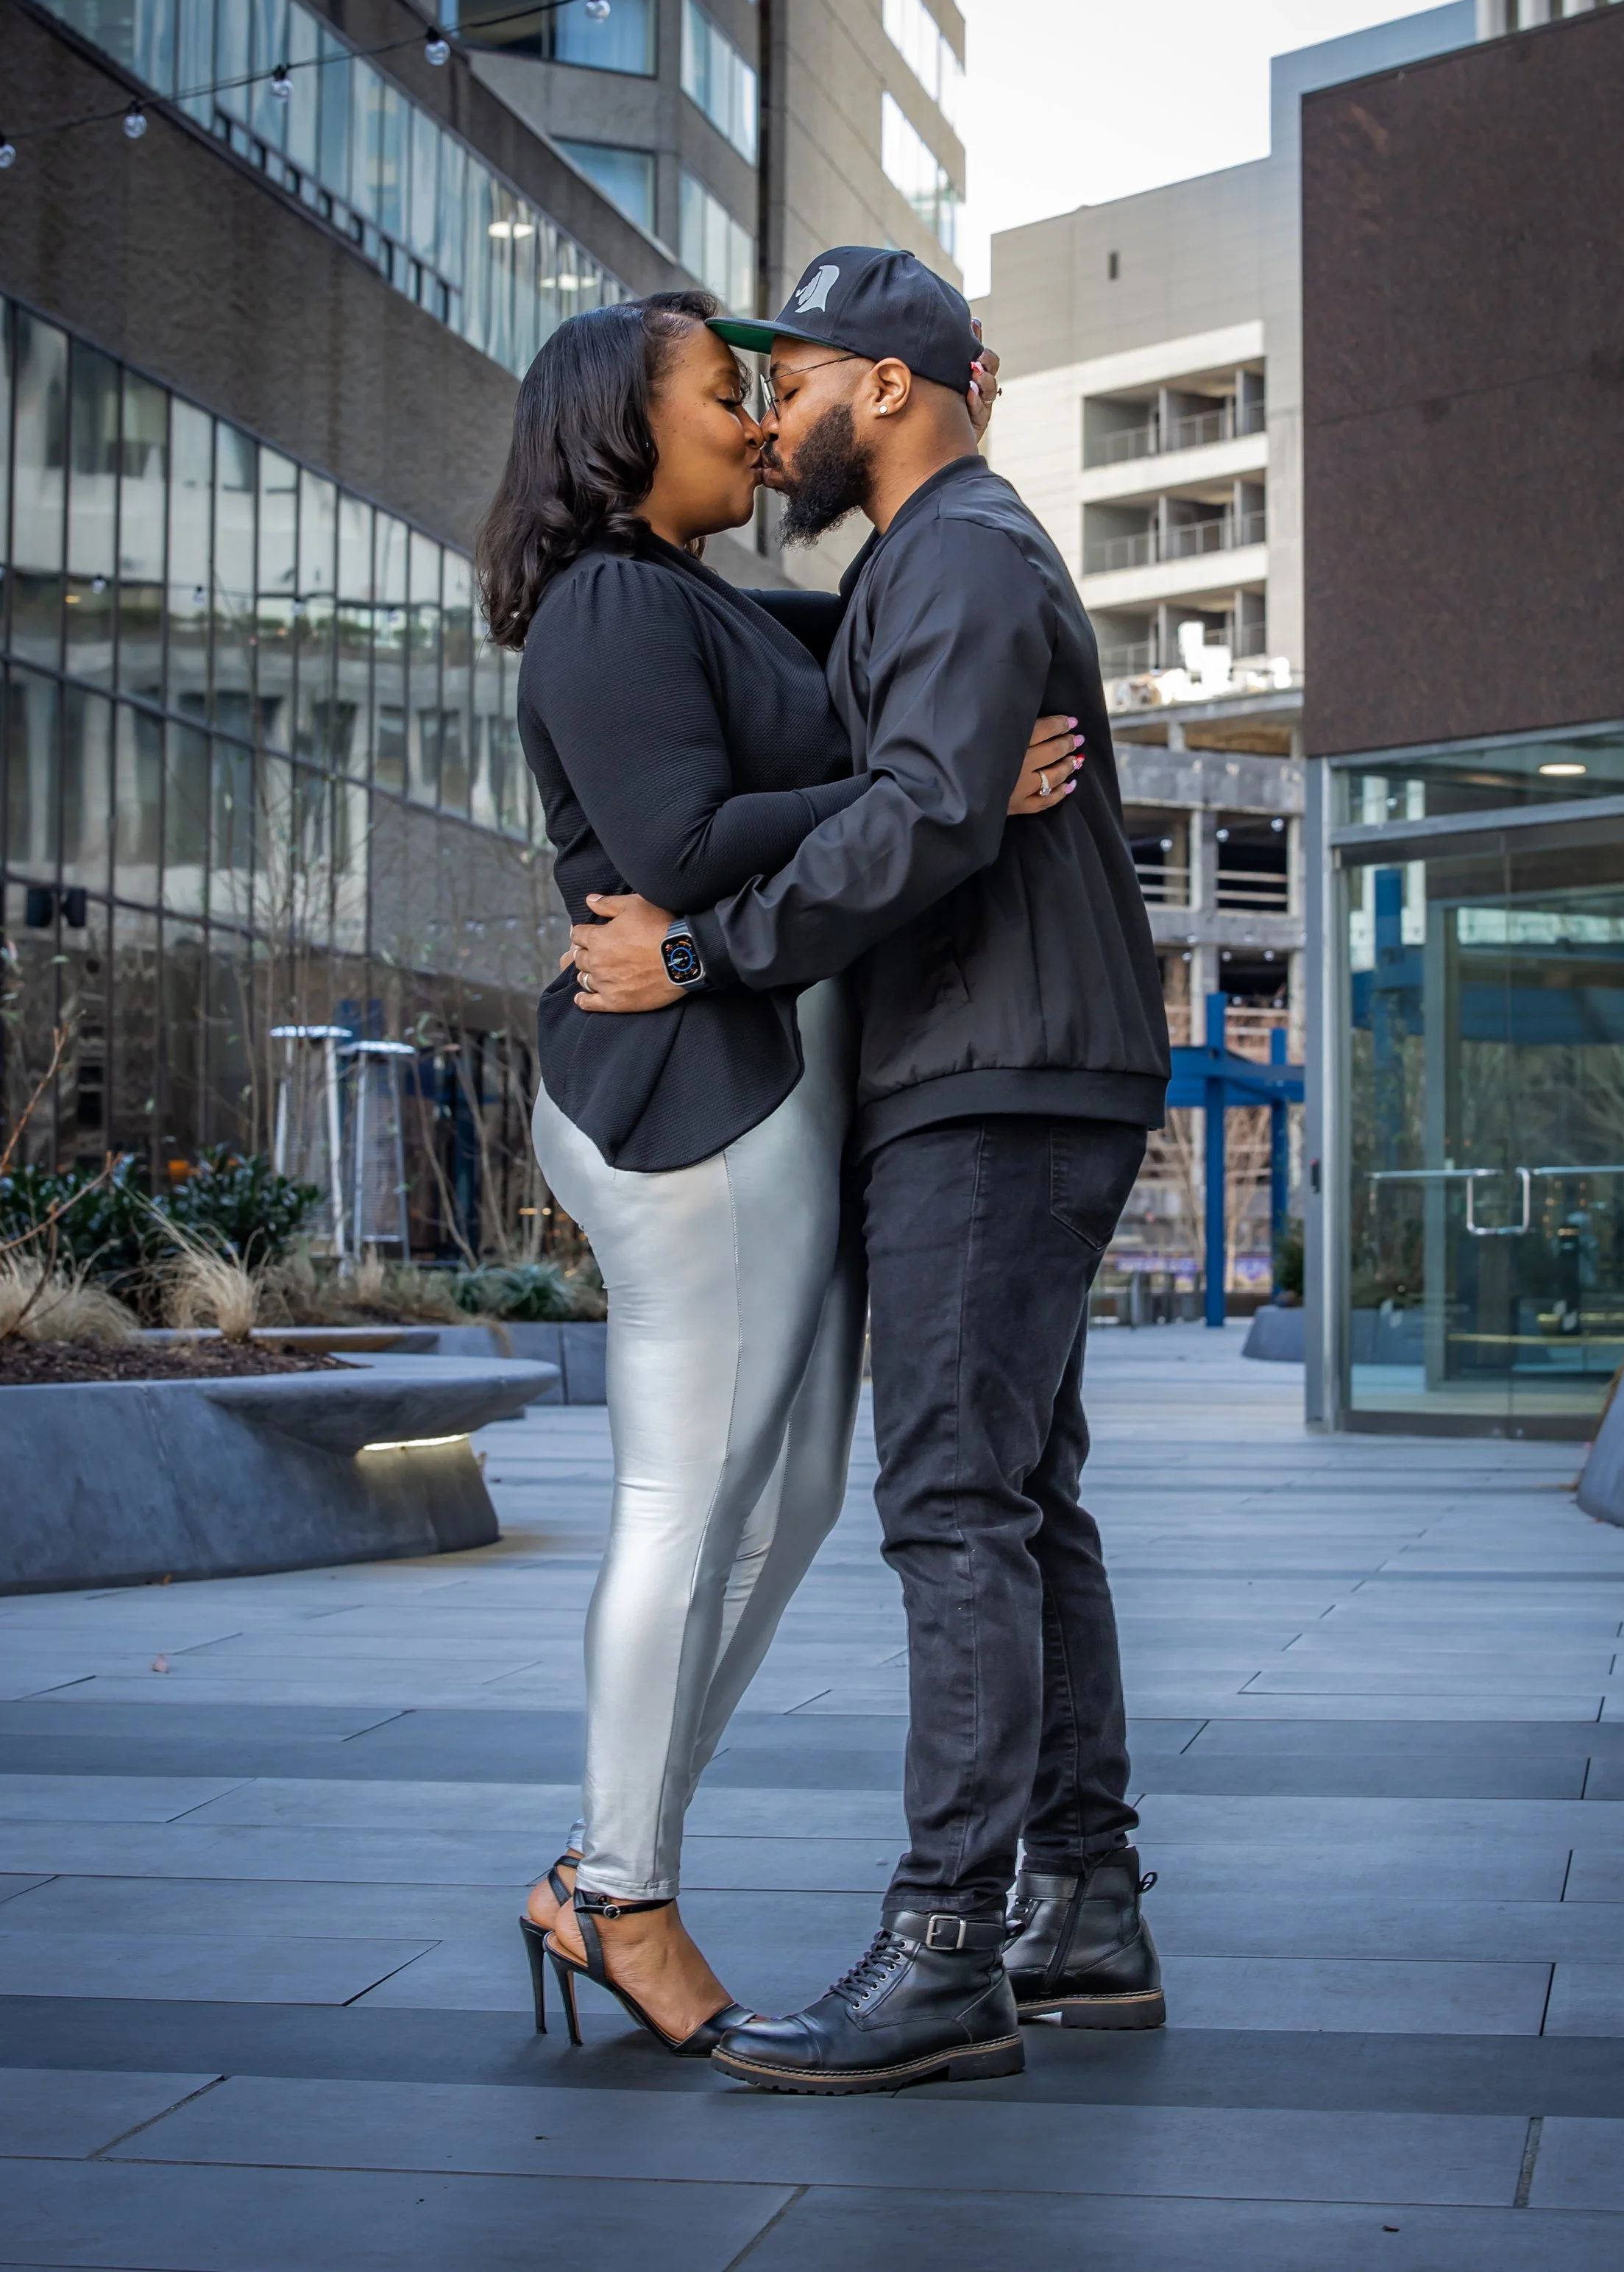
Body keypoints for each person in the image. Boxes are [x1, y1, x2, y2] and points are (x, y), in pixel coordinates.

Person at [563, 247, 1176, 2095]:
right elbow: (886, 769)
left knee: (952, 1504)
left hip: (992, 1068)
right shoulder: (915, 564)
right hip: (1003, 1059)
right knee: (1019, 1492)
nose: (775, 419)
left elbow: (922, 817)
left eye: (797, 380)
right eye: (743, 392)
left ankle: (944, 1947)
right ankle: (1079, 1906)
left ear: (886, 389)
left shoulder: (960, 552)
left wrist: (695, 951)